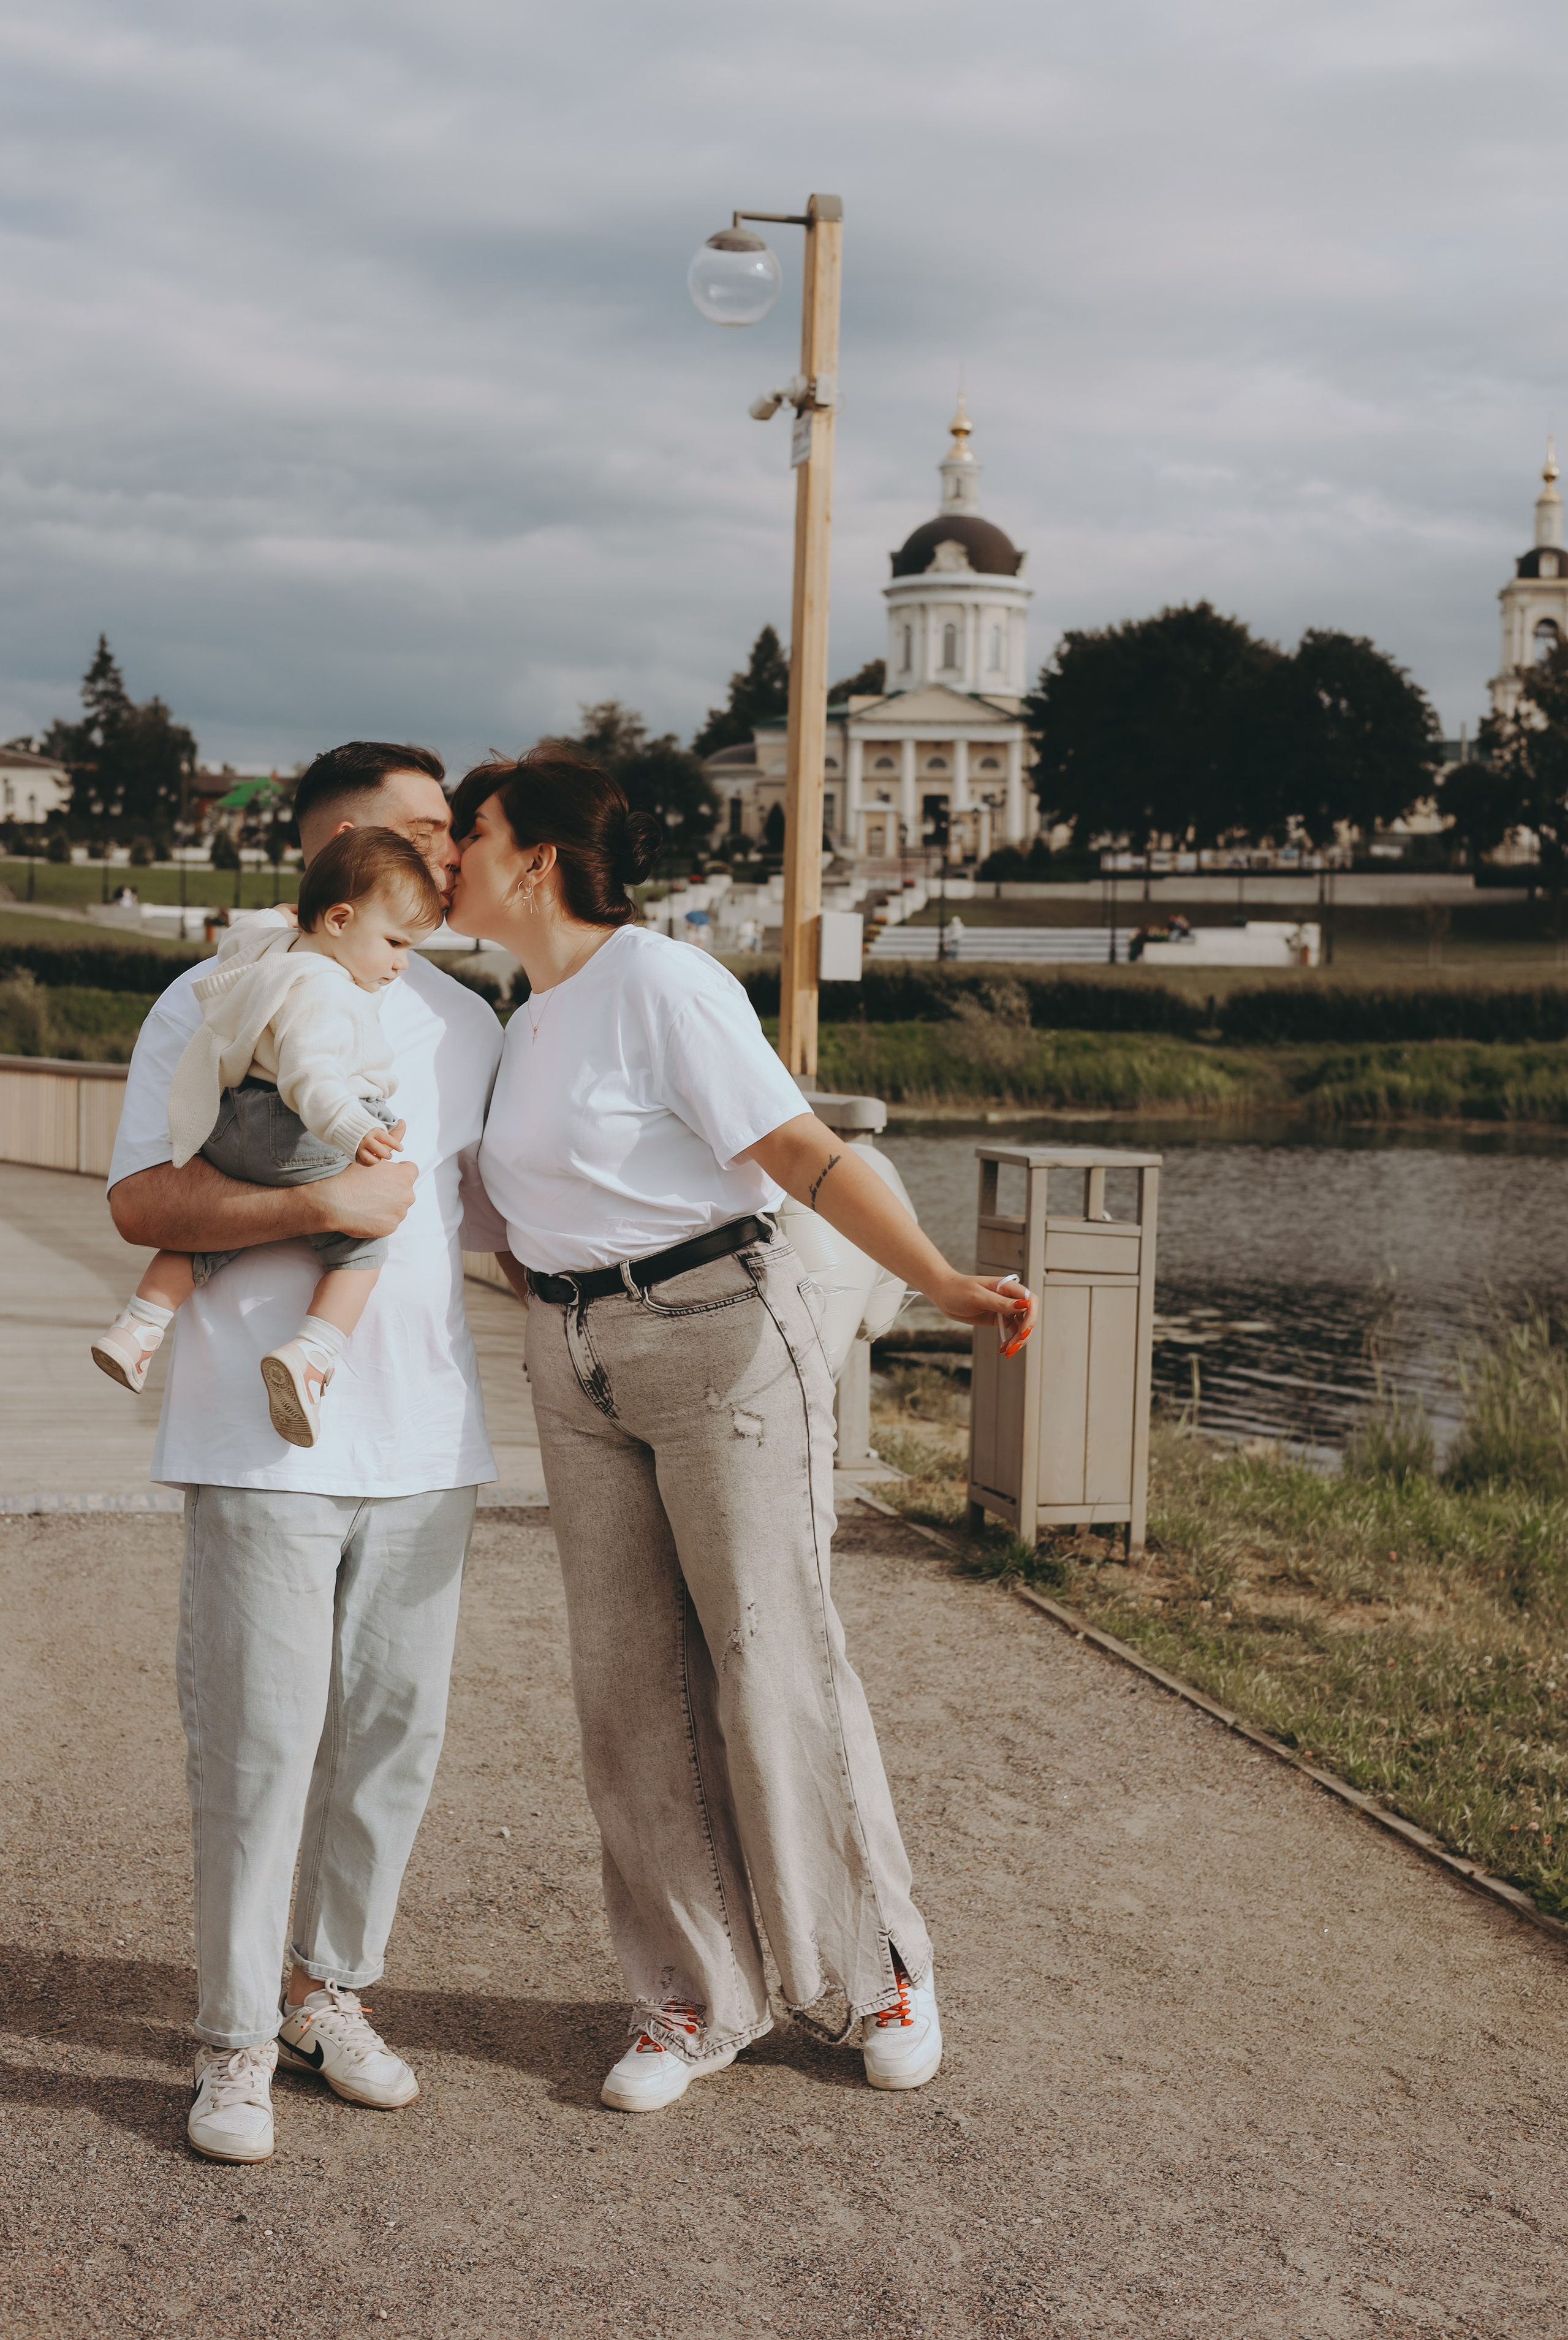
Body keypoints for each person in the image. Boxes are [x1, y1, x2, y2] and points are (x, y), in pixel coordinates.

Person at [446, 747, 1031, 2114]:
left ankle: (877, 1969)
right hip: (571, 1358)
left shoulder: (659, 980)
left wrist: (941, 1282)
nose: (445, 859)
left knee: (770, 1658)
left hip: (715, 1335)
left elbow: (800, 1151)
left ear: (535, 858)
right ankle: (696, 1997)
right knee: (628, 1688)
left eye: (465, 837)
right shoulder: (522, 1015)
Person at [105, 742, 505, 2165]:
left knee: (393, 1741)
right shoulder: (212, 993)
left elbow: (494, 1222)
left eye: (451, 832)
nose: (447, 852)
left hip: (427, 1434)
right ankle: (228, 2045)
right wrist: (327, 1196)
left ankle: (323, 1994)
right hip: (260, 1435)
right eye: (420, 829)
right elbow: (144, 1196)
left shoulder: (465, 1019)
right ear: (338, 845)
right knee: (261, 1747)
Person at [91, 827, 444, 1448]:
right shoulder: (327, 989)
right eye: (393, 942)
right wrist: (356, 1130)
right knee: (361, 1248)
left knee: (212, 1238)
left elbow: (241, 933)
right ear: (338, 918)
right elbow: (313, 1075)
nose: (400, 963)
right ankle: (312, 1353)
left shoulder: (274, 948)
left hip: (234, 1127)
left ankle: (139, 1327)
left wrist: (280, 915)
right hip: (302, 1131)